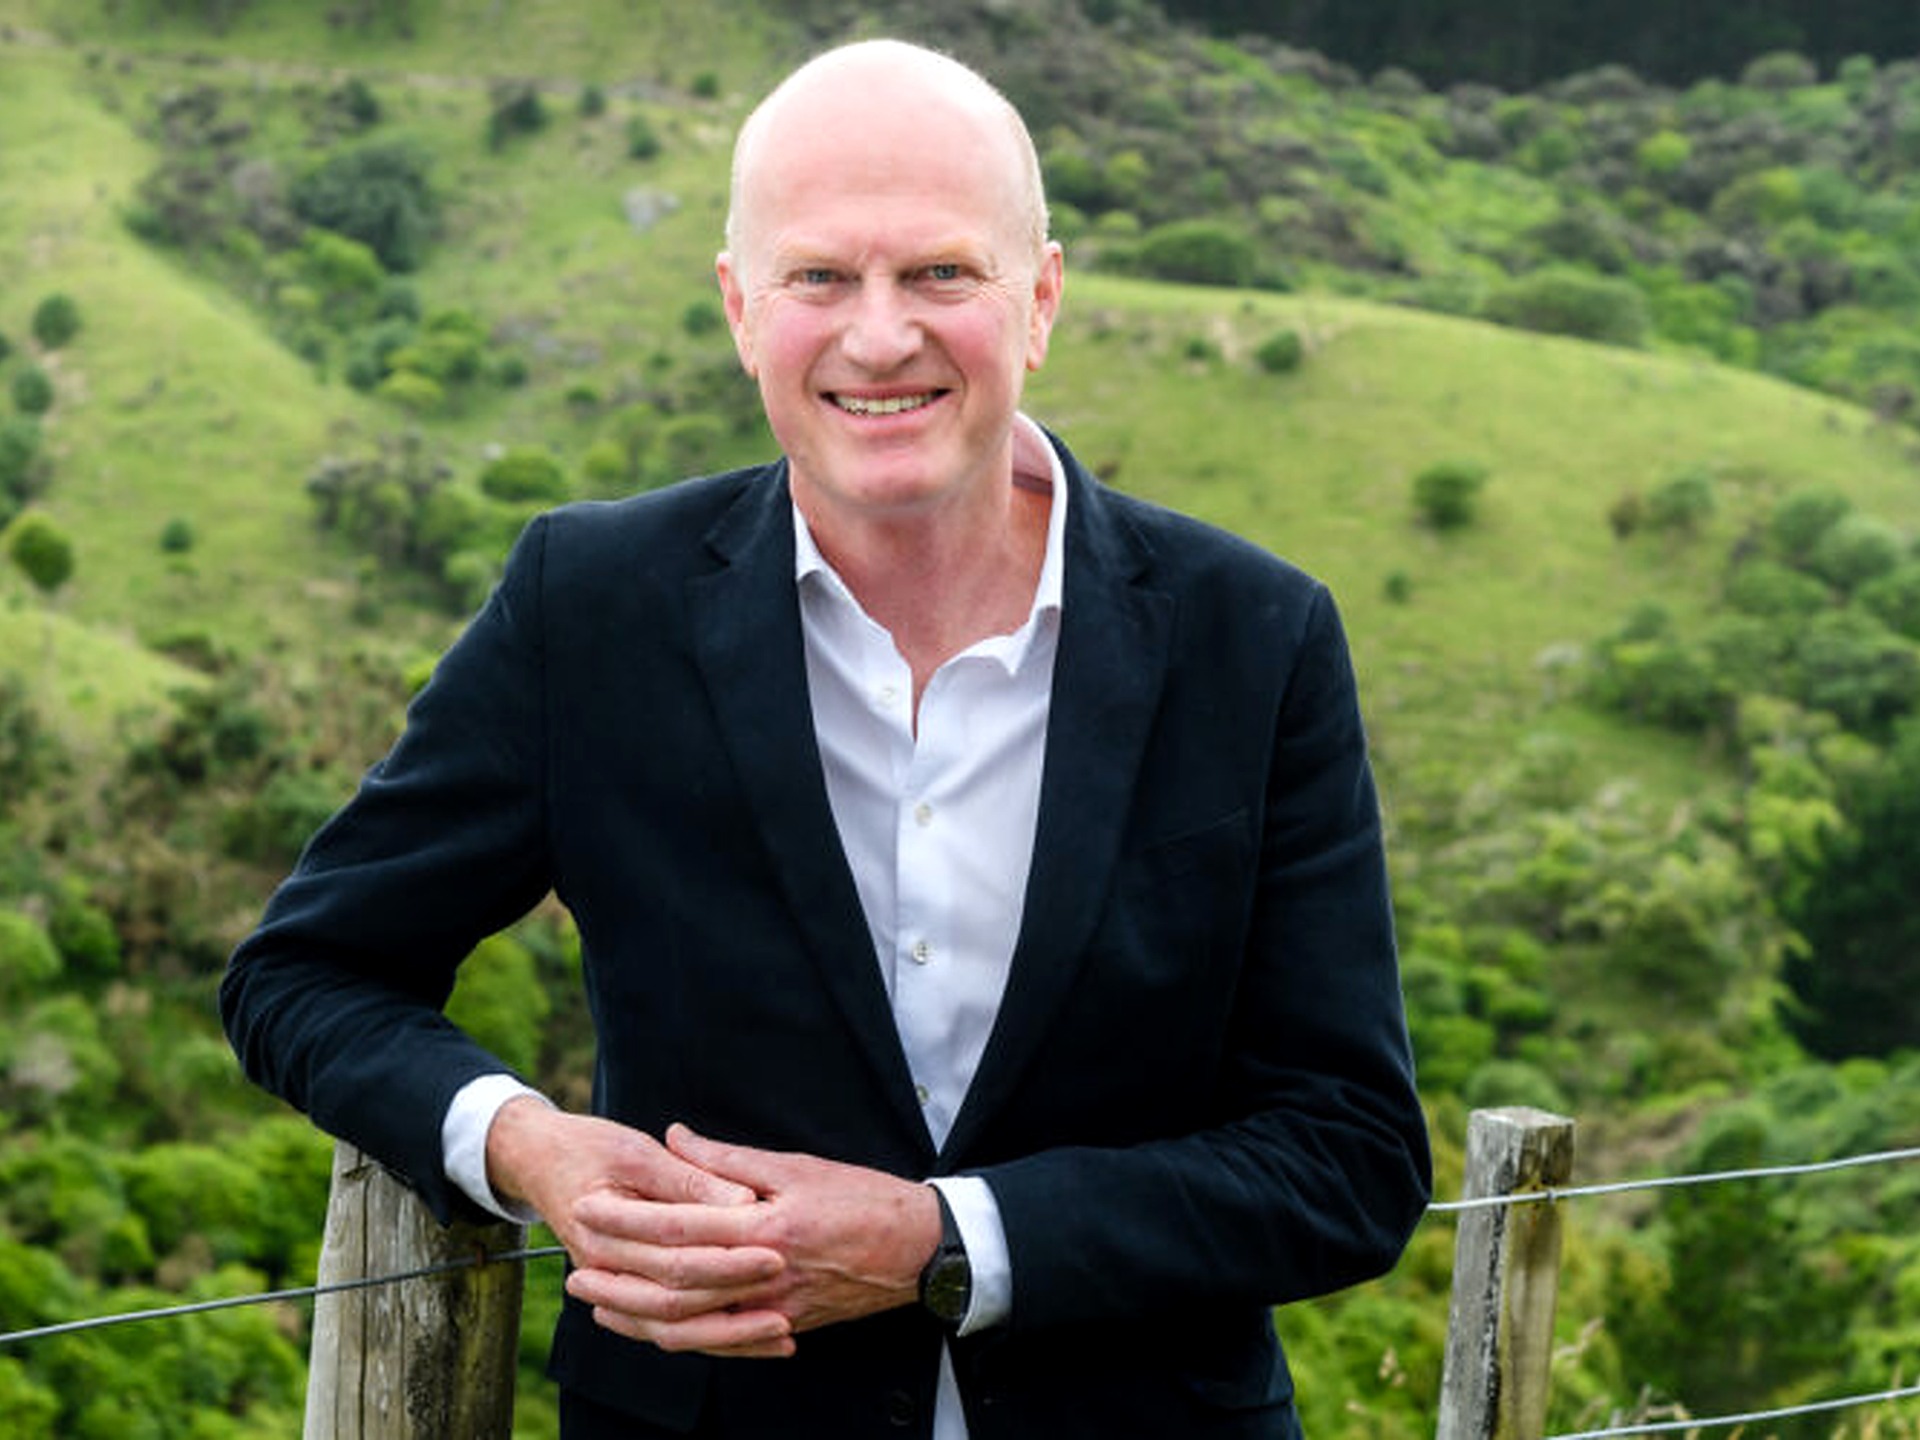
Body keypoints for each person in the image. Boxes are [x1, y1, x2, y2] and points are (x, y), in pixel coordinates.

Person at [222, 38, 1431, 1440]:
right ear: (741, 311)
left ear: (1041, 298)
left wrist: (942, 1242)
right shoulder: (590, 605)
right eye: (818, 278)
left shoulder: (1255, 636)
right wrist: (526, 1145)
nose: (879, 336)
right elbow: (304, 974)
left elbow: (1348, 1156)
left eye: (941, 272)